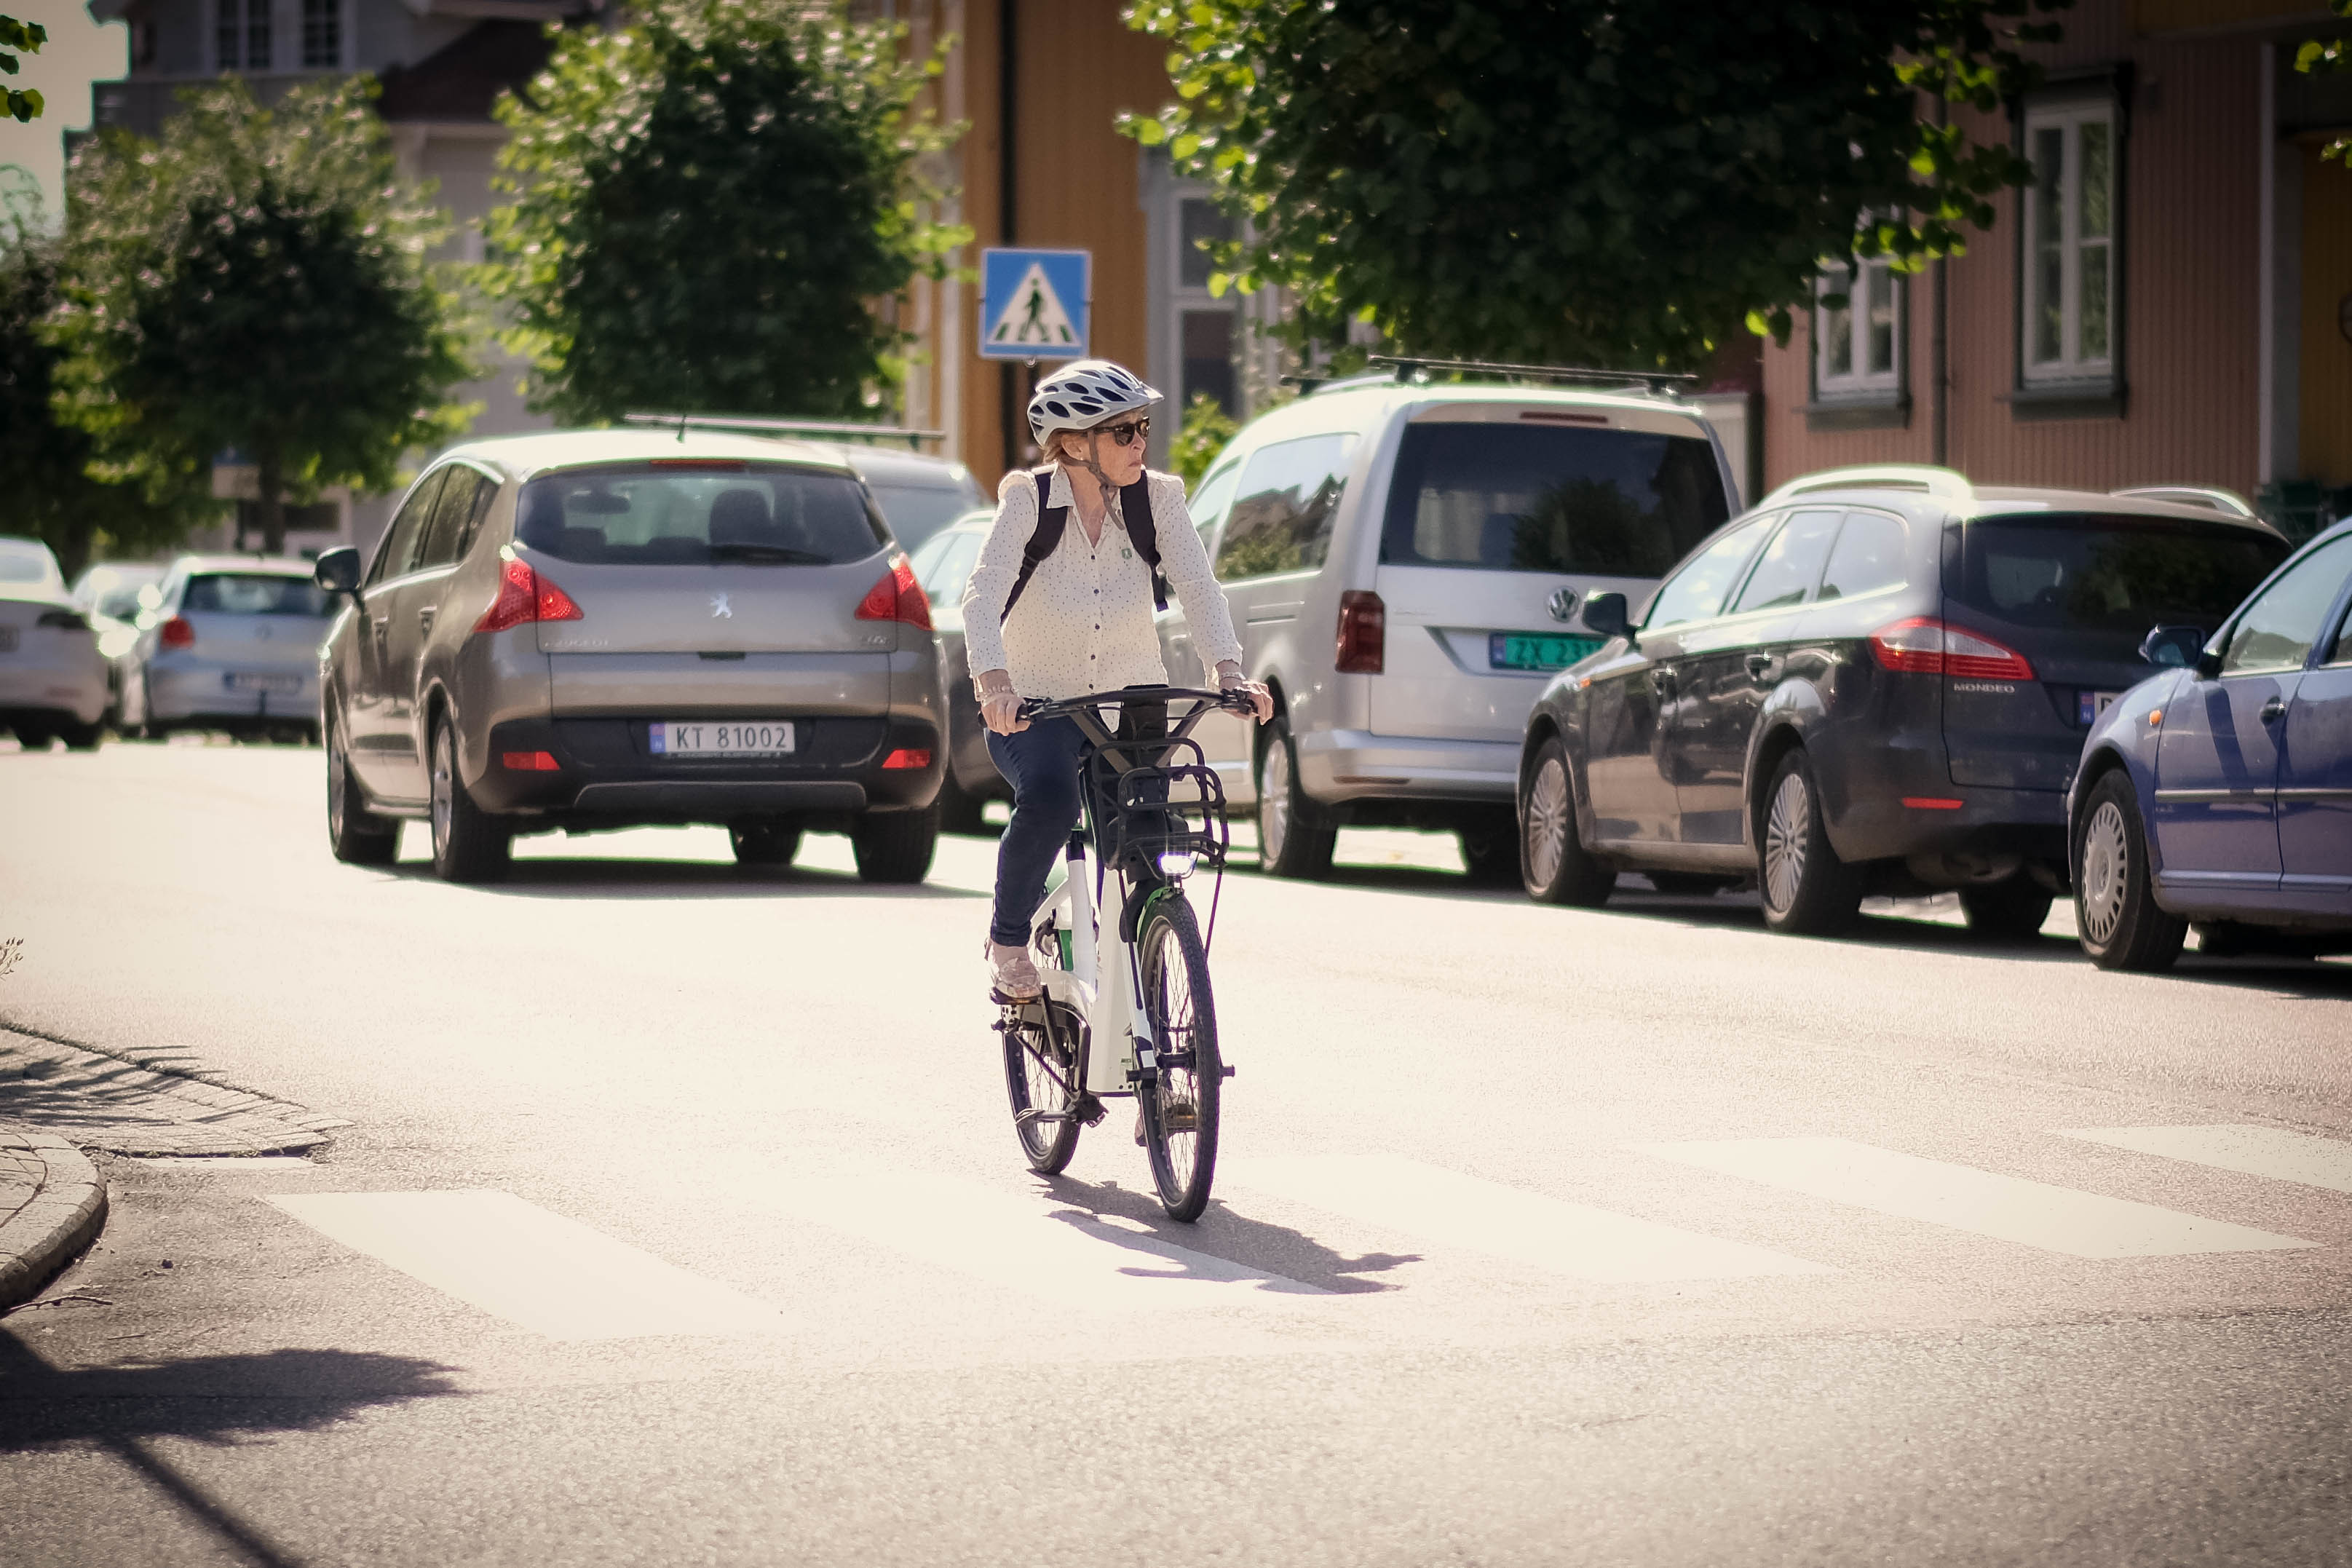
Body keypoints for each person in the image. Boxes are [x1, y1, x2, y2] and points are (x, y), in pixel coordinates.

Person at [961, 360, 1272, 999]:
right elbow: (981, 597)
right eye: (1123, 431)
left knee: (1150, 842)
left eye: (1142, 428)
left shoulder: (1157, 498)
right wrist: (995, 686)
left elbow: (1198, 588)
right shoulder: (1029, 499)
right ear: (1075, 444)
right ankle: (1009, 938)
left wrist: (1229, 671)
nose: (1140, 443)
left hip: (1132, 699)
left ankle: (1148, 981)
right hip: (1038, 707)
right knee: (1050, 799)